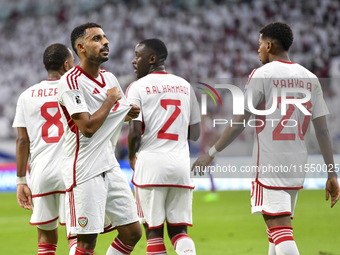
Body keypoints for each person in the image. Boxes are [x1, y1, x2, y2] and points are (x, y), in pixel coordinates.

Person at [192, 22, 340, 255]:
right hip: (296, 166)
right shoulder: (310, 78)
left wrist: (211, 154)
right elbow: (322, 131)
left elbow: (240, 121)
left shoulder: (262, 74)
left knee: (280, 230)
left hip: (269, 166)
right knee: (275, 235)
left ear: (269, 45)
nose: (258, 49)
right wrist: (332, 173)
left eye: (259, 44)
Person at [57, 22, 142, 255]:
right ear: (81, 47)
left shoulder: (109, 78)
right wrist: (111, 101)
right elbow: (86, 127)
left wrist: (128, 112)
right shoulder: (70, 82)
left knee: (133, 232)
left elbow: (115, 115)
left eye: (104, 37)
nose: (105, 42)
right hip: (83, 169)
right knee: (86, 242)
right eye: (97, 39)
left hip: (109, 163)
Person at [126, 38, 201, 255]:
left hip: (151, 165)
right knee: (179, 231)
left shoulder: (137, 87)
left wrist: (131, 156)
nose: (133, 60)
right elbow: (195, 133)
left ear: (152, 59)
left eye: (137, 56)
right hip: (180, 166)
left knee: (154, 232)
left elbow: (133, 133)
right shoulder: (185, 86)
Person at [13, 43, 77, 255]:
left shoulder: (26, 95)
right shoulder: (75, 90)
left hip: (41, 173)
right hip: (73, 171)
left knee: (46, 238)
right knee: (77, 236)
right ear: (66, 64)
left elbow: (23, 141)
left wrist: (21, 180)